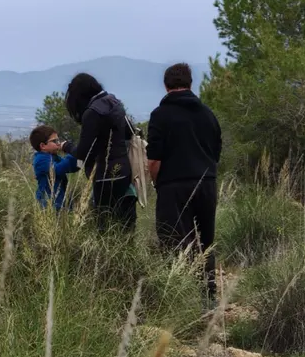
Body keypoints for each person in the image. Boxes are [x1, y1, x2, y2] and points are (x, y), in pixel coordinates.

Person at [146, 62, 222, 307]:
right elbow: (216, 151)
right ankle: (208, 298)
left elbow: (154, 159)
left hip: (173, 185)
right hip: (207, 182)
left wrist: (158, 183)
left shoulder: (160, 115)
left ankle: (178, 298)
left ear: (166, 86)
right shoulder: (208, 114)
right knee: (206, 241)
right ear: (190, 84)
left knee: (173, 242)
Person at [60, 73, 137, 231]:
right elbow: (130, 132)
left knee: (105, 225)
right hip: (124, 171)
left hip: (104, 176)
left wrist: (66, 146)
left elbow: (83, 153)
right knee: (125, 224)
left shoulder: (92, 113)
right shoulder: (113, 102)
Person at [29, 125, 78, 211]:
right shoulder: (41, 160)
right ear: (43, 145)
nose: (58, 143)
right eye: (55, 141)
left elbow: (71, 167)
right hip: (49, 205)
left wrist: (81, 159)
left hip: (60, 201)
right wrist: (73, 151)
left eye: (58, 140)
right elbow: (60, 168)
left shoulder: (53, 156)